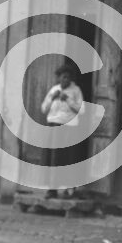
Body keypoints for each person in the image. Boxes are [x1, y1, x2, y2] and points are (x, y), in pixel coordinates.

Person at [40, 64, 84, 199]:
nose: (66, 80)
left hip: (68, 127)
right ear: (59, 78)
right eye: (63, 77)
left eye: (68, 78)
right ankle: (51, 189)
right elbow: (43, 109)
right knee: (52, 158)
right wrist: (52, 98)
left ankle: (68, 189)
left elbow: (81, 110)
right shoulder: (54, 89)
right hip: (53, 125)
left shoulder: (75, 90)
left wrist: (68, 100)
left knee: (66, 158)